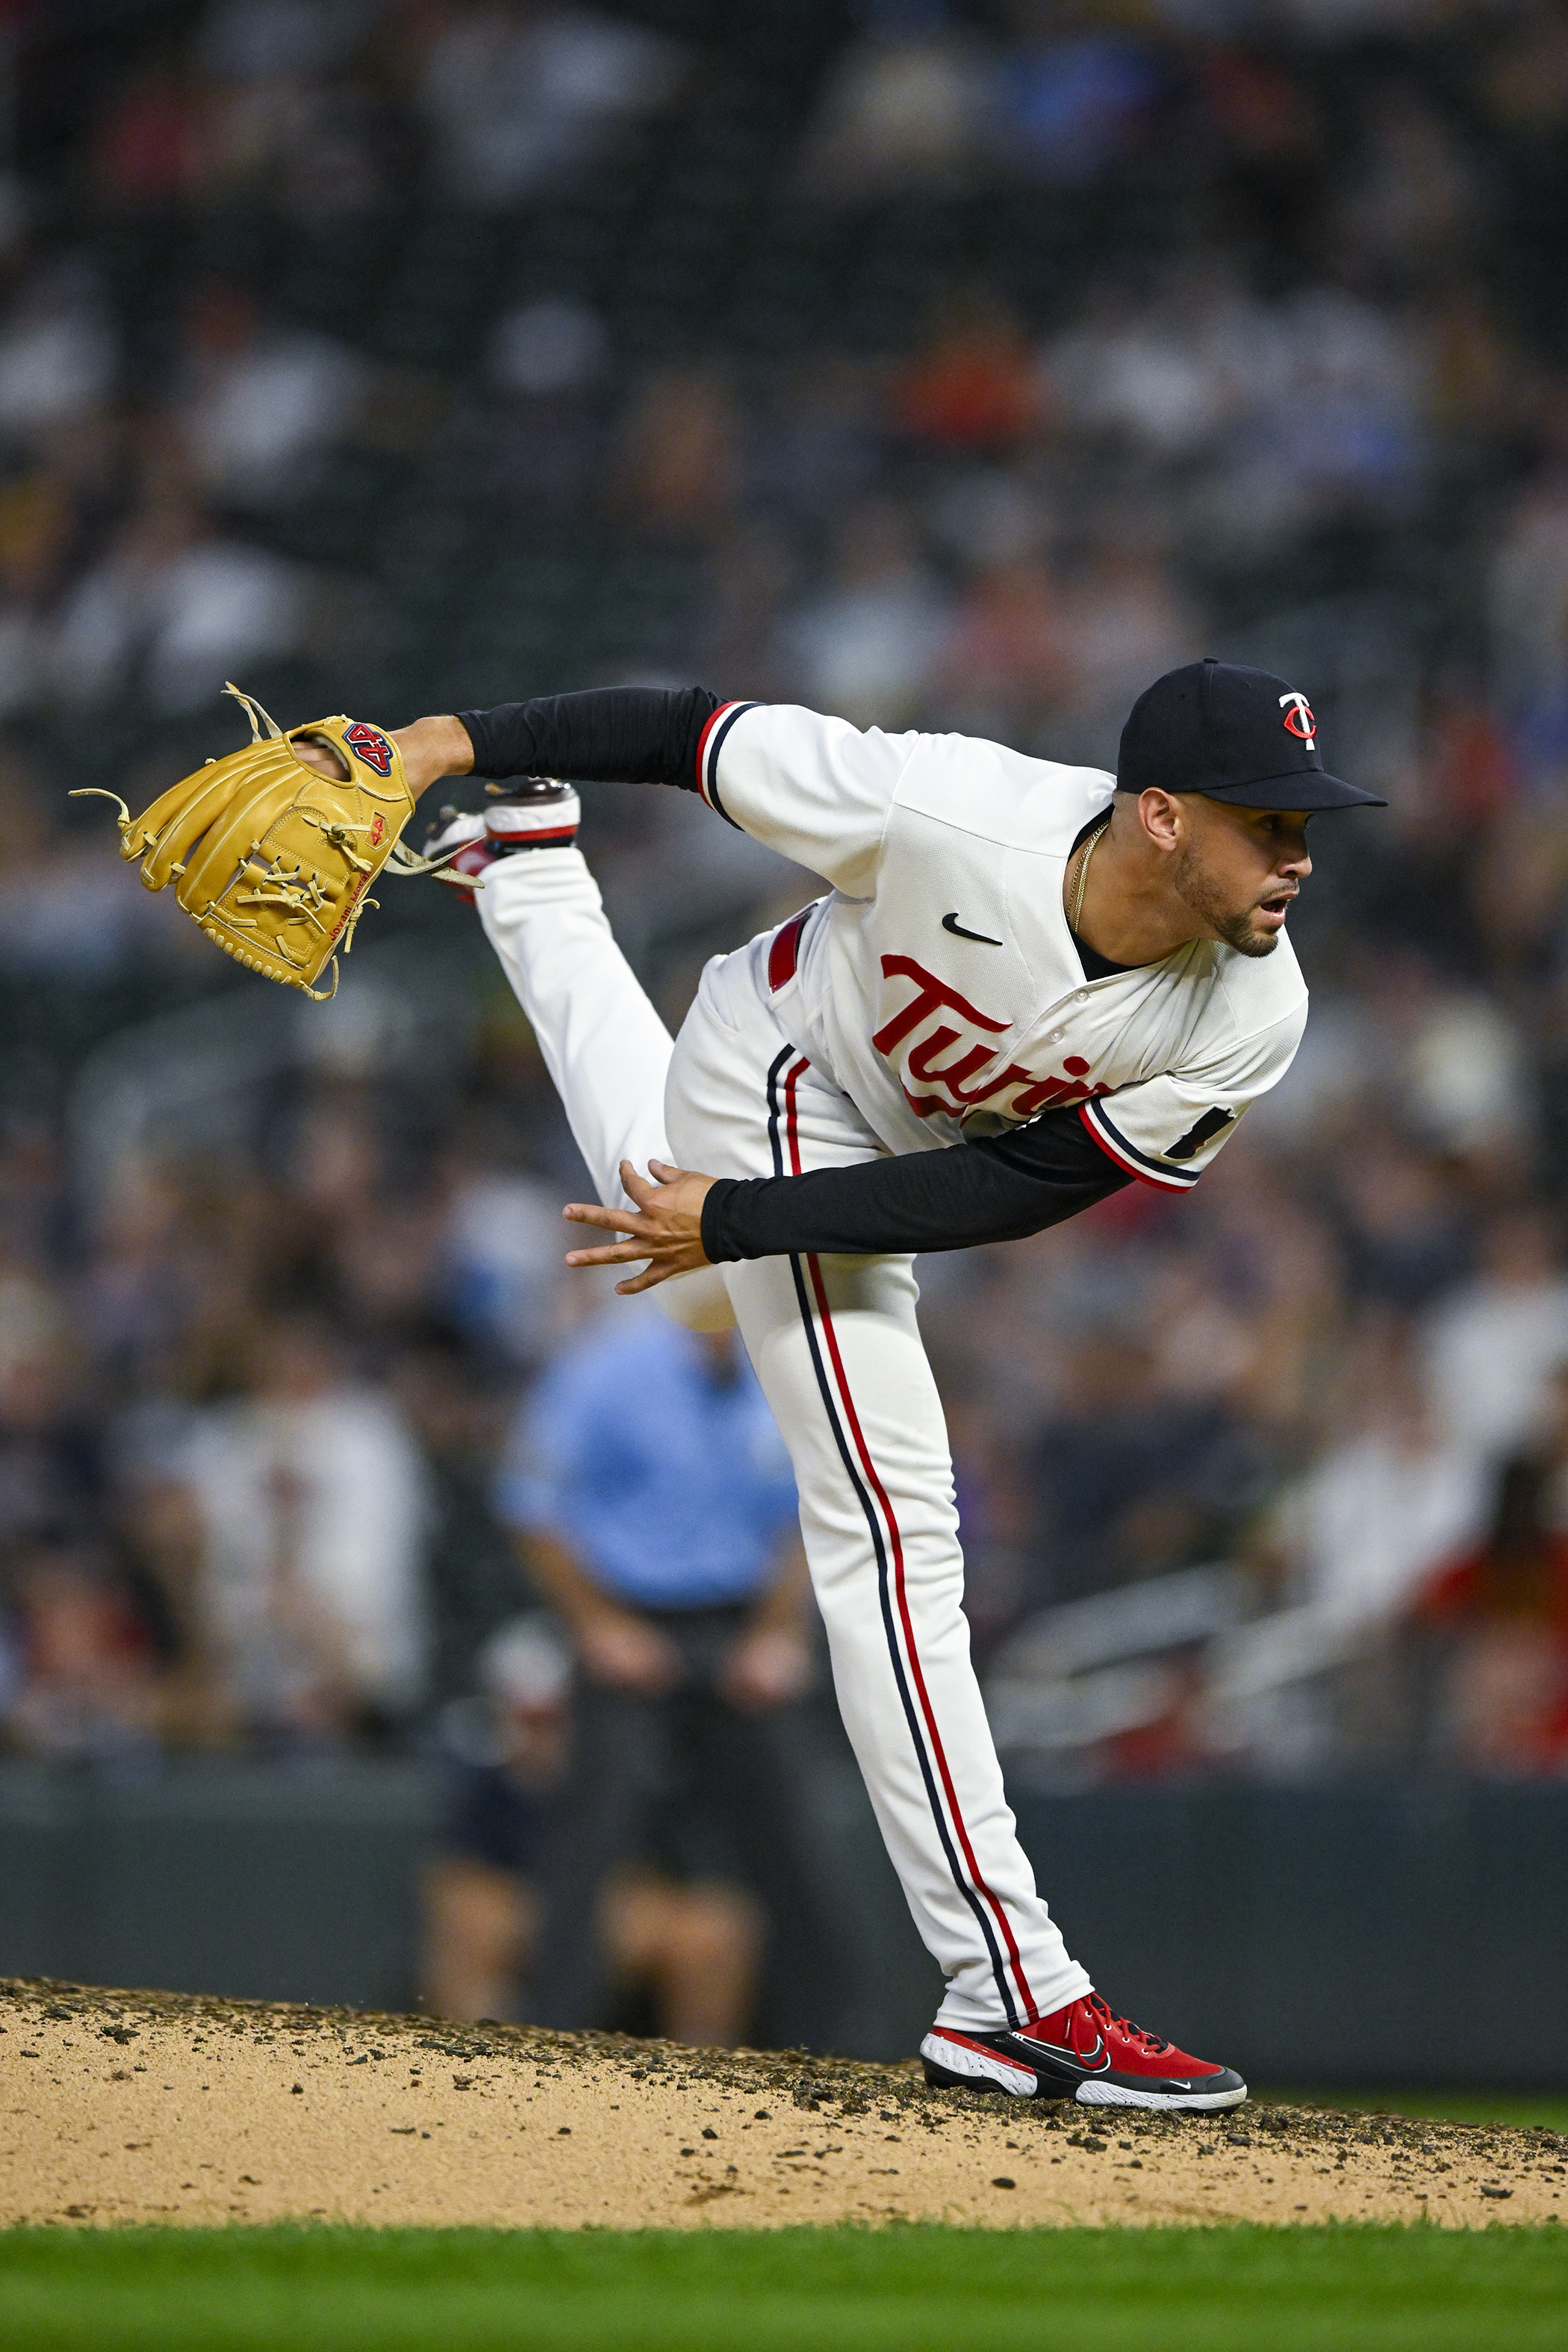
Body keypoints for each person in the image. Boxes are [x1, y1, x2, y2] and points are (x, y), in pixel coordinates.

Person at [295, 656, 1381, 2109]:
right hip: (781, 1070)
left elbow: (1013, 1189)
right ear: (1165, 816)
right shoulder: (952, 807)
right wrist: (437, 737)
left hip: (874, 1158)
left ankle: (528, 869)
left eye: (1310, 827)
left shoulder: (1253, 1013)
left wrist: (731, 1222)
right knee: (892, 1525)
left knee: (660, 1207)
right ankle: (1011, 1989)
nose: (1300, 858)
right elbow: (687, 731)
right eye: (1273, 824)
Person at [496, 1307, 836, 2037]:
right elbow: (529, 1504)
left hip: (738, 1624)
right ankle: (551, 2034)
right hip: (630, 1619)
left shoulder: (782, 1375)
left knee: (793, 1838)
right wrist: (598, 1624)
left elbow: (809, 1514)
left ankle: (834, 2038)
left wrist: (777, 1633)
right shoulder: (606, 1370)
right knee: (593, 1837)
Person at [420, 1616, 766, 2040]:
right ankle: (475, 2071)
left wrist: (597, 1919)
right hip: (531, 1917)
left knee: (717, 1927)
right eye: (530, 1719)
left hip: (620, 1918)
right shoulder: (492, 1784)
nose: (543, 1735)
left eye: (555, 1718)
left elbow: (674, 1882)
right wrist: (555, 1920)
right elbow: (463, 1884)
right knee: (474, 1920)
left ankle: (699, 2085)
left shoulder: (643, 1777)